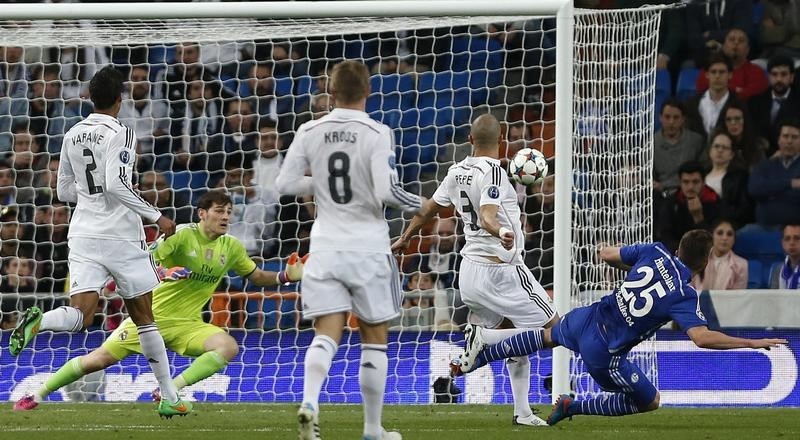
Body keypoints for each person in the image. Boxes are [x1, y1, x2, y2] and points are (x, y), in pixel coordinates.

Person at [452, 229, 788, 425]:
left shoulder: (655, 251)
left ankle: (480, 354)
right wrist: (751, 343)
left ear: (677, 249)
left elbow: (608, 255)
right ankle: (574, 405)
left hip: (587, 317)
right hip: (604, 354)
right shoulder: (685, 295)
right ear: (703, 263)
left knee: (545, 336)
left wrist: (614, 257)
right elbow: (701, 338)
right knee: (650, 400)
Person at [12, 191, 307, 412]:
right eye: (220, 211)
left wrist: (285, 276)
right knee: (97, 360)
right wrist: (165, 272)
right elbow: (143, 261)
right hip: (149, 319)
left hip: (188, 325)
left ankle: (169, 391)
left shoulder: (231, 247)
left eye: (229, 212)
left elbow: (255, 276)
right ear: (202, 213)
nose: (226, 217)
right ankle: (37, 394)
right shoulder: (180, 236)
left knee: (228, 346)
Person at [7, 65, 190, 418]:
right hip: (121, 235)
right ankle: (169, 395)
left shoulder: (72, 133)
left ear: (89, 97)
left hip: (82, 233)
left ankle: (40, 322)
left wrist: (89, 200)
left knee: (81, 315)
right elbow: (116, 184)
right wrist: (158, 216)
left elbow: (61, 190)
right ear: (120, 99)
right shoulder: (121, 132)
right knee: (144, 317)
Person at [275, 60, 421, 440]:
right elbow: (388, 191)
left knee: (326, 333)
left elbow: (285, 183)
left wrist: (320, 182)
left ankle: (310, 401)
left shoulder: (310, 130)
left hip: (324, 247)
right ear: (369, 92)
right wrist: (420, 204)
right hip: (368, 246)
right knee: (374, 336)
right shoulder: (377, 132)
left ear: (330, 91)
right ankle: (372, 429)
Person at [392, 114, 557, 427]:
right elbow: (487, 217)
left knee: (515, 336)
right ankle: (483, 341)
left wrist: (404, 237)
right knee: (558, 330)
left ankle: (522, 412)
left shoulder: (456, 170)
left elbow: (428, 209)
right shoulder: (495, 173)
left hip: (468, 273)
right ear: (501, 139)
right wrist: (501, 232)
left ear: (469, 139)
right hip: (501, 271)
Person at [748, 118, 800, 229]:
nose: (789, 141)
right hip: (764, 228)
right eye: (785, 136)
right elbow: (755, 189)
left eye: (794, 137)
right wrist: (791, 183)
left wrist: (770, 193)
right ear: (779, 140)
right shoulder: (764, 165)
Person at [693, 219, 748, 290]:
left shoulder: (741, 265)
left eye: (729, 234)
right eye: (720, 233)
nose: (724, 238)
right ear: (712, 236)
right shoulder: (696, 259)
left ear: (734, 239)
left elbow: (737, 298)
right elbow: (688, 291)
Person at [769, 224, 800, 289]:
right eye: (787, 239)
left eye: (797, 238)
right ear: (783, 244)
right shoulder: (778, 270)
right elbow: (773, 297)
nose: (792, 243)